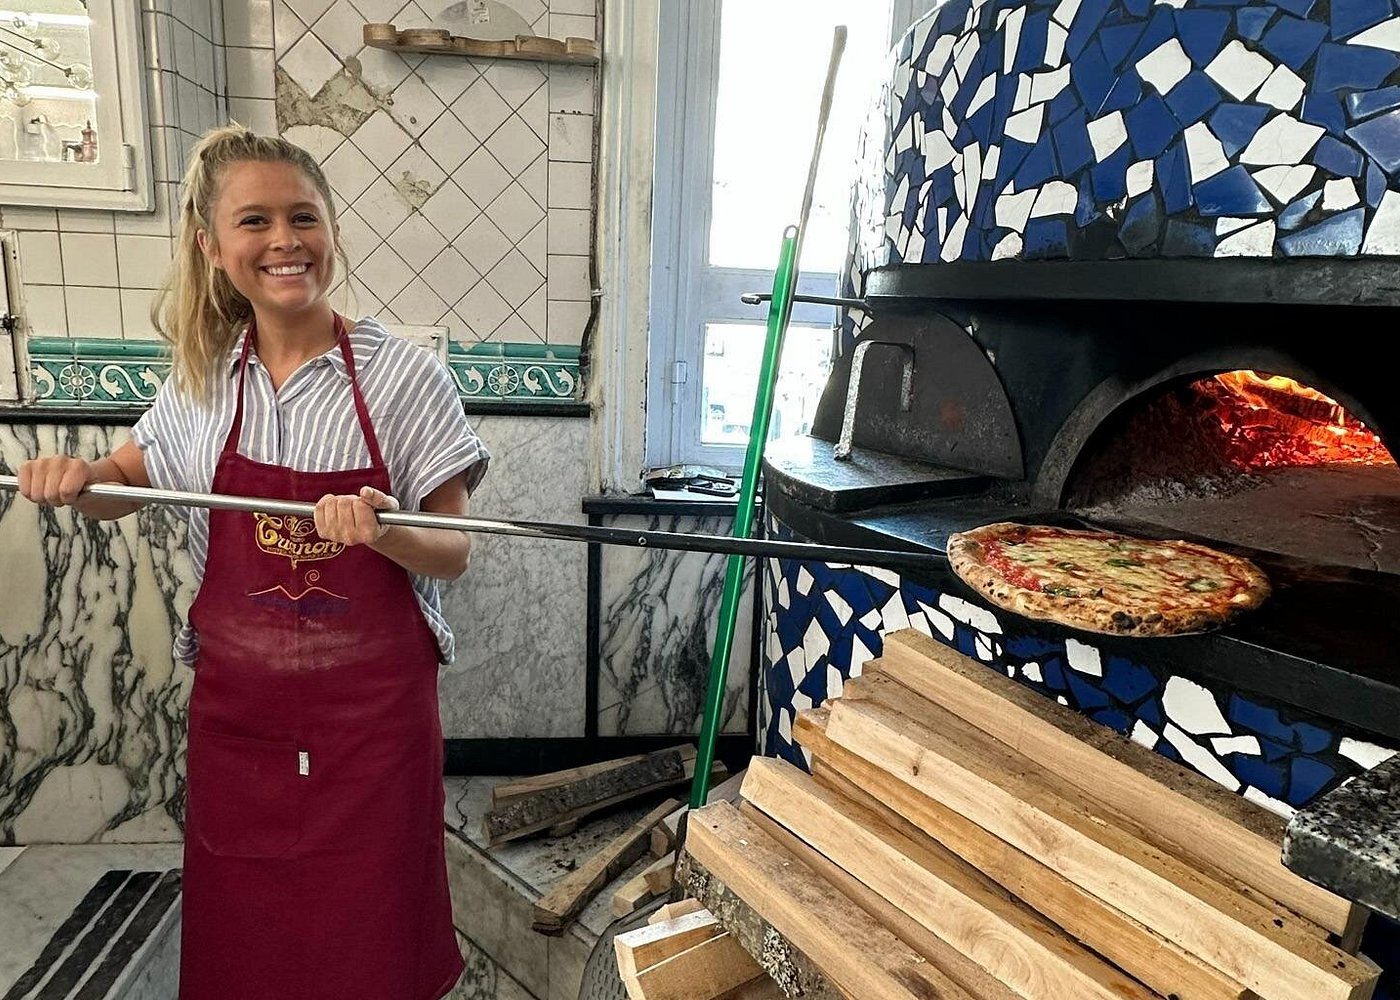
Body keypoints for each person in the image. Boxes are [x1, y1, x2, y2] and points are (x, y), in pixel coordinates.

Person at [16, 125, 488, 1000]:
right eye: (256, 221)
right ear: (212, 244)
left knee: (374, 922)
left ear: (332, 229)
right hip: (243, 717)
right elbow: (132, 478)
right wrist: (80, 480)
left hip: (373, 723)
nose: (284, 241)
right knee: (250, 928)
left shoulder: (404, 379)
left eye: (303, 217)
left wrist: (382, 530)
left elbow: (453, 551)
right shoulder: (203, 375)